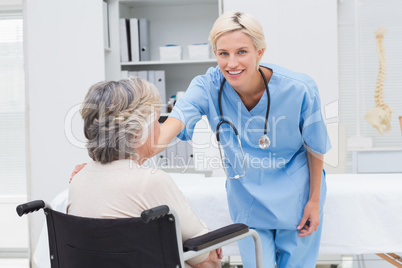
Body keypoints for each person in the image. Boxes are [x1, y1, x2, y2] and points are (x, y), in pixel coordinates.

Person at [154, 11, 331, 267]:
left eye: (242, 52)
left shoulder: (299, 88)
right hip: (247, 199)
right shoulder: (207, 87)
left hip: (297, 196)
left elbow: (315, 146)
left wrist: (314, 201)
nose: (231, 63)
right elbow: (168, 130)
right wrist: (106, 161)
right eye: (223, 53)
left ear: (260, 52)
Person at [67, 77, 222, 268]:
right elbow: (204, 253)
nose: (160, 128)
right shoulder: (151, 181)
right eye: (157, 120)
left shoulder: (78, 178)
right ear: (138, 132)